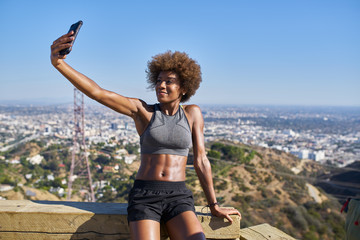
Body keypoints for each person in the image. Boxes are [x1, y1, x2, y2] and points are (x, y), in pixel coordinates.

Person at [51, 30, 241, 240]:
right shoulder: (143, 111)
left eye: (169, 81)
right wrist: (59, 64)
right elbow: (98, 93)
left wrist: (214, 205)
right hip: (145, 195)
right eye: (159, 80)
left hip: (179, 196)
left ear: (184, 88)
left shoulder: (193, 113)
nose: (161, 85)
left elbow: (201, 161)